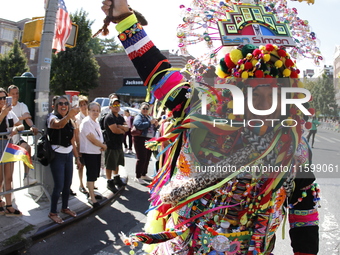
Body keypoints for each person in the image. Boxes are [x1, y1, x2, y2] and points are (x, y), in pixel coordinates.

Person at [101, 1, 319, 254]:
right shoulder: (205, 117)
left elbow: (304, 211)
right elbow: (159, 74)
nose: (264, 105)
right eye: (255, 95)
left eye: (275, 96)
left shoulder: (294, 149)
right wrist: (126, 19)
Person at [47, 95, 80, 224]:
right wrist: (69, 116)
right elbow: (58, 125)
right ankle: (52, 212)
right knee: (59, 185)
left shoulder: (70, 120)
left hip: (68, 155)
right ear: (55, 106)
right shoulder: (52, 117)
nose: (63, 105)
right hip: (57, 156)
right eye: (60, 104)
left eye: (66, 103)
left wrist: (77, 157)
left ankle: (65, 207)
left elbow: (72, 141)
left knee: (67, 185)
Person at [0, 87, 24, 216]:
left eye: (4, 98)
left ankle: (9, 205)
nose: (3, 100)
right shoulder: (5, 112)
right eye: (0, 98)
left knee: (8, 177)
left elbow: (21, 125)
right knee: (0, 178)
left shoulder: (10, 112)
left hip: (8, 144)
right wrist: (2, 113)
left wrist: (16, 128)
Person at [7, 85, 39, 186]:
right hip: (5, 142)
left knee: (27, 148)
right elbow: (22, 117)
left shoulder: (22, 105)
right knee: (7, 175)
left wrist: (32, 125)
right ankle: (7, 194)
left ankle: (26, 176)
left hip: (15, 140)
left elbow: (27, 117)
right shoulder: (6, 108)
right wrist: (21, 117)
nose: (15, 96)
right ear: (8, 95)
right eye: (13, 94)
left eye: (17, 93)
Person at [79, 102, 106, 207]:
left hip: (96, 152)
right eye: (93, 110)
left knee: (94, 174)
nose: (95, 112)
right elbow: (91, 138)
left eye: (97, 110)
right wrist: (103, 146)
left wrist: (101, 145)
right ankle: (92, 198)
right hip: (89, 152)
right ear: (88, 111)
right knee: (91, 175)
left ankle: (92, 193)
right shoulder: (86, 122)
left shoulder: (95, 122)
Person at [104, 97, 128, 193]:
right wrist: (122, 130)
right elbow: (115, 130)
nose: (117, 106)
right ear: (110, 106)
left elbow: (127, 128)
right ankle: (109, 182)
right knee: (110, 165)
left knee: (117, 163)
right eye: (114, 105)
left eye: (118, 105)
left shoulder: (120, 117)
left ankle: (116, 178)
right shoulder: (109, 117)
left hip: (118, 145)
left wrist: (121, 127)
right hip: (111, 145)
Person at [132, 102, 158, 185]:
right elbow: (138, 125)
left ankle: (143, 174)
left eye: (147, 108)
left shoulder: (149, 117)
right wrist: (150, 123)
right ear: (140, 109)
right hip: (140, 139)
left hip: (149, 140)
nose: (145, 110)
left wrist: (156, 124)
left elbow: (154, 127)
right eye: (143, 108)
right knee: (141, 158)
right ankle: (137, 176)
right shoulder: (139, 117)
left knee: (147, 158)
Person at [74, 95, 89, 194]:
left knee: (90, 165)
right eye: (81, 105)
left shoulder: (91, 115)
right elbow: (76, 134)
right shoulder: (77, 118)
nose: (84, 107)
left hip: (90, 145)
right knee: (81, 165)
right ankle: (81, 184)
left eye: (85, 104)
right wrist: (78, 147)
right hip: (81, 144)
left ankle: (89, 183)